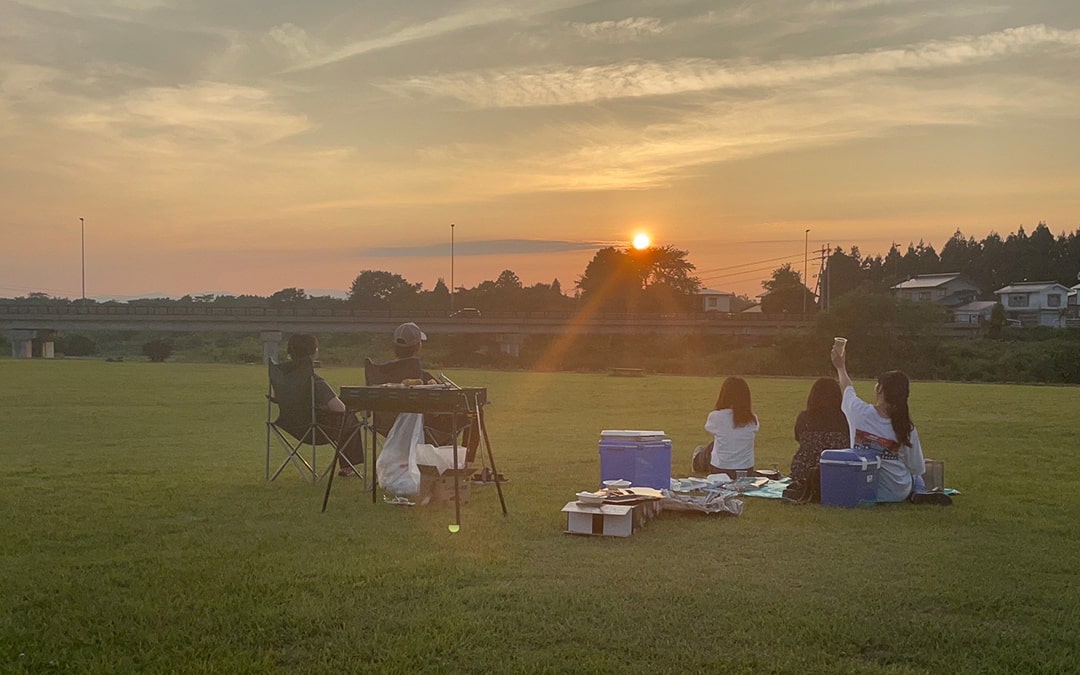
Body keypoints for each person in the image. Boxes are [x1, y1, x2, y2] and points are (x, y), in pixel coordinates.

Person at [831, 346, 949, 505]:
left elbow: (847, 388)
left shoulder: (859, 412)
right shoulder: (907, 428)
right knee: (916, 473)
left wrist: (840, 367)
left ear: (879, 389)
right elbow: (917, 469)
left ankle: (920, 492)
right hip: (896, 493)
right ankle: (920, 491)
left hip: (863, 488)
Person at [390, 322, 481, 461]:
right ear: (418, 346)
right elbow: (445, 398)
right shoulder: (419, 374)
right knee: (475, 411)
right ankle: (466, 462)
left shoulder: (384, 372)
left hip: (389, 425)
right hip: (426, 426)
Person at [282, 333, 364, 476]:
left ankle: (348, 466)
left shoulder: (284, 378)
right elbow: (340, 409)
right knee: (349, 417)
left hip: (292, 426)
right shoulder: (314, 381)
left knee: (345, 415)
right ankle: (348, 466)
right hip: (317, 430)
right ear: (314, 353)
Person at [789, 378, 850, 486]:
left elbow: (799, 438)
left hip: (804, 472)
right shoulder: (845, 418)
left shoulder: (804, 417)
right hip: (836, 472)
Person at [704, 376, 759, 480]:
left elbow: (709, 428)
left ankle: (697, 461)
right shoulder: (752, 419)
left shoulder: (715, 416)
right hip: (746, 470)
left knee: (708, 448)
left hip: (720, 469)